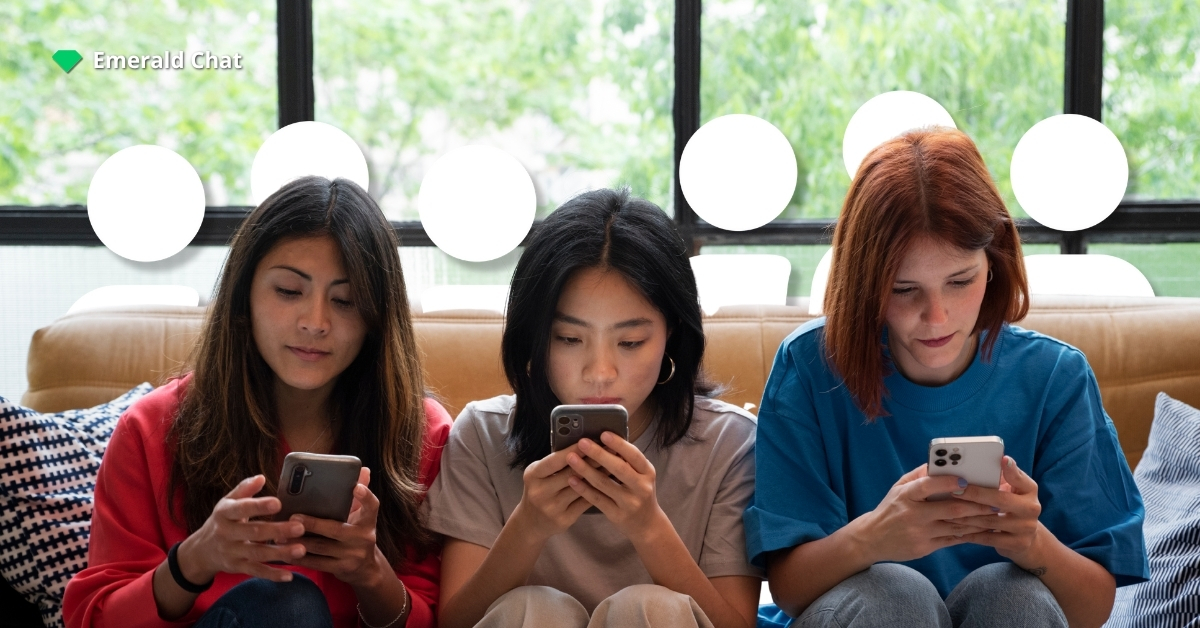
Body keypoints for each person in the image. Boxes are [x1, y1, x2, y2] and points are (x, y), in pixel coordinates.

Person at [745, 128, 1149, 628]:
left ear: (995, 263)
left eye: (960, 281)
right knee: (895, 594)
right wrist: (875, 537)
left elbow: (1093, 609)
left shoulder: (1054, 379)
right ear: (864, 284)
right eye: (903, 289)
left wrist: (1031, 542)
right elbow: (787, 588)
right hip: (866, 615)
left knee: (1012, 595)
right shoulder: (810, 367)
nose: (936, 318)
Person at [63, 176, 453, 628]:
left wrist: (370, 573)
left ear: (376, 321)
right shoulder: (153, 427)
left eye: (346, 300)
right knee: (285, 604)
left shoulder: (423, 434)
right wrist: (194, 560)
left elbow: (443, 616)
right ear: (244, 297)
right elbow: (92, 619)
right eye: (289, 292)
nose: (315, 322)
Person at [423, 188, 762, 628]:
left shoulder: (729, 444)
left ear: (671, 337)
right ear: (535, 338)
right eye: (569, 339)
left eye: (630, 343)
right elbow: (455, 622)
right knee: (533, 607)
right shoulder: (483, 435)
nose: (600, 372)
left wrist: (649, 528)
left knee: (649, 606)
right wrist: (527, 527)